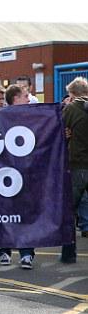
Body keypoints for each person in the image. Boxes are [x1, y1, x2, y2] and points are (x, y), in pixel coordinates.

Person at [0, 84, 36, 269]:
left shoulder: (34, 117)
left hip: (26, 172)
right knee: (4, 213)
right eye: (26, 96)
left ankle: (27, 254)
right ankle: (4, 251)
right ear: (15, 99)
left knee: (25, 214)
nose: (29, 99)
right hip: (4, 173)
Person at [60, 76, 88, 264]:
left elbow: (59, 128)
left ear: (73, 94)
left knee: (69, 210)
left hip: (78, 163)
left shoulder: (71, 109)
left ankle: (68, 254)